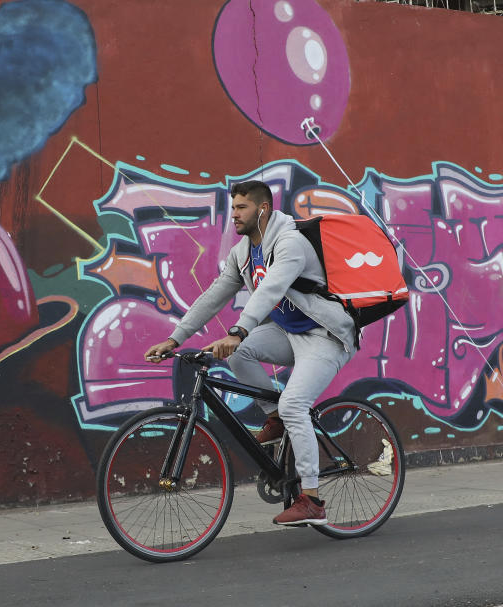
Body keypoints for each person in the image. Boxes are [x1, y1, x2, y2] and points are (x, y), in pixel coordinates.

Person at [145, 180, 356, 527]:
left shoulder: (291, 243)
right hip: (289, 333)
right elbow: (214, 295)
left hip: (324, 335)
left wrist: (239, 331)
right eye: (233, 208)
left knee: (294, 405)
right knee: (240, 356)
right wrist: (175, 339)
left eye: (242, 208)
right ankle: (275, 417)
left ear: (263, 209)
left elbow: (270, 289)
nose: (234, 216)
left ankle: (313, 500)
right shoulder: (243, 253)